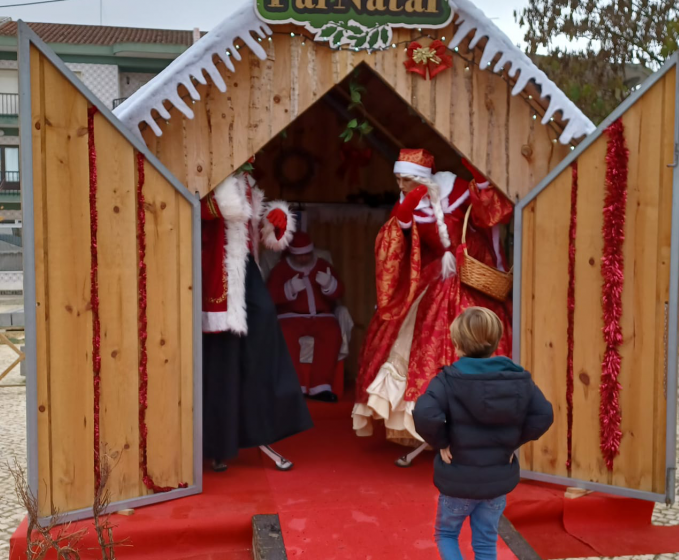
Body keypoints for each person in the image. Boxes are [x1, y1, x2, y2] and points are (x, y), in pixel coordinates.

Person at [353, 148, 515, 460]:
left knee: (473, 338)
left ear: (423, 178)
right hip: (430, 279)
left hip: (471, 275)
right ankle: (429, 423)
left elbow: (492, 216)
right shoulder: (406, 202)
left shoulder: (456, 191)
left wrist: (481, 183)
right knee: (412, 336)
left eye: (407, 179)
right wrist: (401, 220)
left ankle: (477, 423)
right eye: (398, 179)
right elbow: (392, 251)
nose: (401, 185)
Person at [412, 307, 554, 560]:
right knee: (486, 543)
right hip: (496, 483)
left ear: (456, 344)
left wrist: (441, 441)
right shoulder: (519, 379)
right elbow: (544, 414)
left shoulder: (447, 380)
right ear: (496, 341)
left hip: (457, 479)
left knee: (446, 535)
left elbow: (424, 413)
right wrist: (514, 442)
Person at [201, 166, 313, 472]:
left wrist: (275, 221)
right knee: (221, 366)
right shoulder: (209, 180)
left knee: (259, 354)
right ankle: (218, 445)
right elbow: (199, 211)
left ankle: (257, 430)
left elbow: (261, 235)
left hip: (244, 275)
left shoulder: (247, 183)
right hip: (218, 284)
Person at [267, 231, 345, 402]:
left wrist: (329, 285)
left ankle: (321, 387)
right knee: (286, 336)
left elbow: (339, 292)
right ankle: (295, 387)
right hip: (290, 317)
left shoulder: (323, 265)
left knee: (332, 334)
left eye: (306, 255)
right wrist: (288, 289)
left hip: (322, 317)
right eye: (299, 256)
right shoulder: (281, 269)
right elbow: (269, 297)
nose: (303, 259)